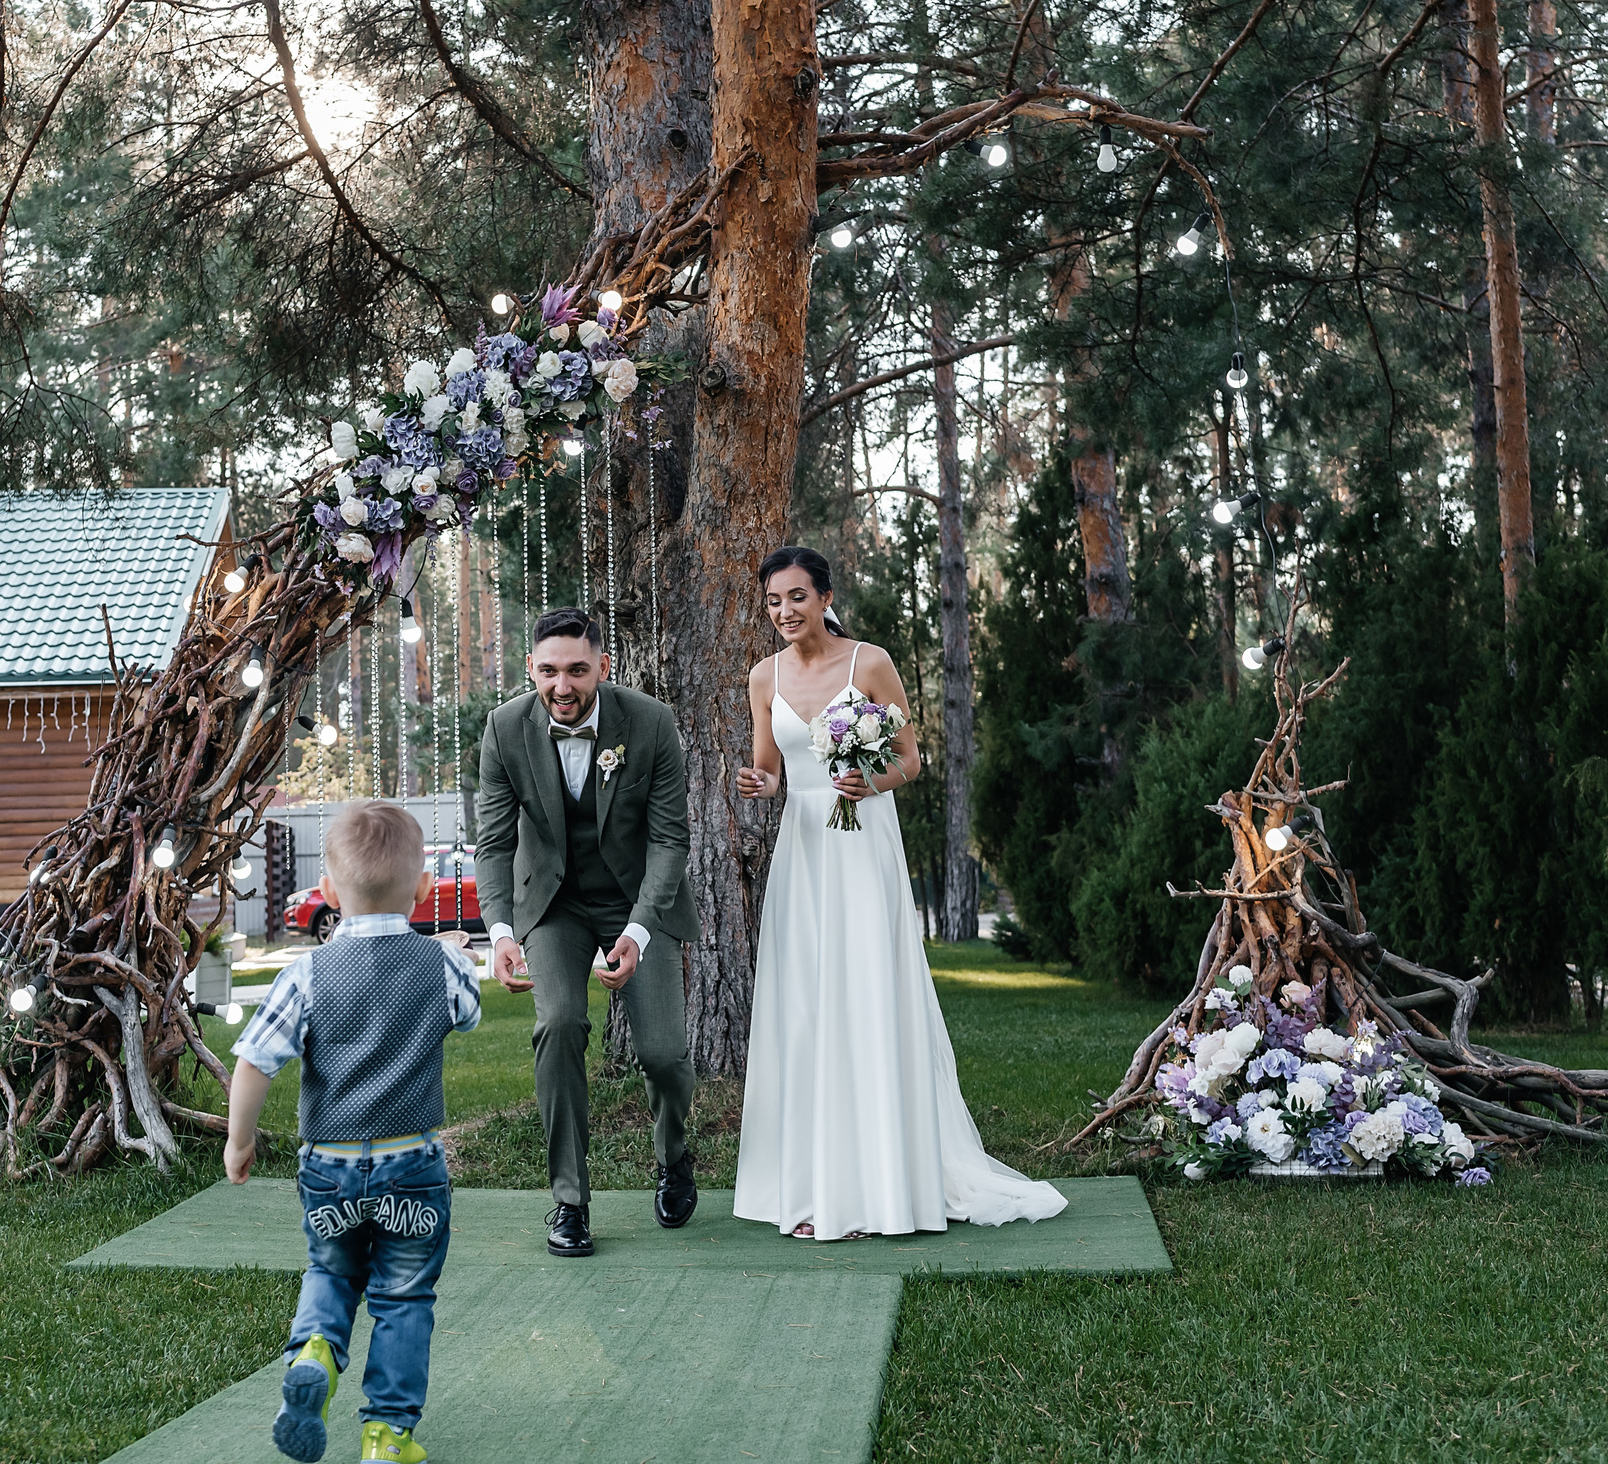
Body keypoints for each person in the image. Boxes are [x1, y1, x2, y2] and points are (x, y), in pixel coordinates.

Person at [731, 547, 1065, 1241]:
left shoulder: (869, 662)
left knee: (865, 998)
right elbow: (771, 770)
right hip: (806, 850)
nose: (785, 611)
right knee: (807, 1008)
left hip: (862, 845)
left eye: (797, 597)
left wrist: (868, 781)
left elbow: (910, 758)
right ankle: (813, 1187)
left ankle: (874, 1188)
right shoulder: (763, 676)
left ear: (825, 597)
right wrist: (760, 786)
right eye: (773, 600)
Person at [226, 800, 484, 1464]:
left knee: (331, 1270)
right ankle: (386, 1435)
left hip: (329, 1166)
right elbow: (469, 1012)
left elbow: (254, 1060)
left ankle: (314, 1348)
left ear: (330, 890)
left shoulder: (305, 974)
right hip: (413, 1166)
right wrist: (451, 951)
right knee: (403, 1297)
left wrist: (240, 1141)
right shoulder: (443, 966)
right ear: (424, 889)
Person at [475, 606, 695, 1257]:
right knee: (560, 1023)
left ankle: (674, 1156)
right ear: (531, 670)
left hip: (637, 900)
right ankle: (570, 1200)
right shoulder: (504, 727)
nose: (562, 686)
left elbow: (669, 838)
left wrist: (639, 930)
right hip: (554, 903)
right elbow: (491, 844)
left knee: (662, 1051)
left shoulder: (649, 723)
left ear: (603, 665)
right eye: (548, 671)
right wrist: (500, 930)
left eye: (577, 669)